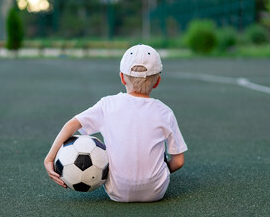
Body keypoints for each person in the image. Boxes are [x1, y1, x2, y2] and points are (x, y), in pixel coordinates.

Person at [44, 44, 188, 202]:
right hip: (156, 192)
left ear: (121, 77)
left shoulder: (108, 105)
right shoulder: (165, 112)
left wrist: (50, 158)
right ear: (157, 81)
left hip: (117, 192)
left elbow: (72, 125)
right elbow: (178, 161)